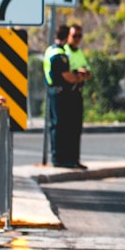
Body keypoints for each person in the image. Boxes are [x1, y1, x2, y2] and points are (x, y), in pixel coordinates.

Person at [43, 24, 89, 169]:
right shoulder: (59, 53)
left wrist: (80, 76)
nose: (77, 39)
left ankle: (70, 159)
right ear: (67, 36)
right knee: (60, 126)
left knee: (70, 127)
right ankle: (60, 159)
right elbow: (67, 76)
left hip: (66, 92)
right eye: (74, 35)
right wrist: (78, 77)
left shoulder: (54, 50)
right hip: (60, 92)